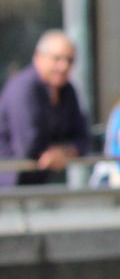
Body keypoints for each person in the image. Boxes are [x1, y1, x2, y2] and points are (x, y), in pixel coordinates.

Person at [0, 30, 91, 185]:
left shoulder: (67, 90)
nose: (63, 66)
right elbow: (28, 146)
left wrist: (62, 152)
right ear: (38, 57)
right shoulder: (23, 88)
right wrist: (63, 151)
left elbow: (84, 139)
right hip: (9, 186)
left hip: (39, 185)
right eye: (57, 59)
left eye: (69, 60)